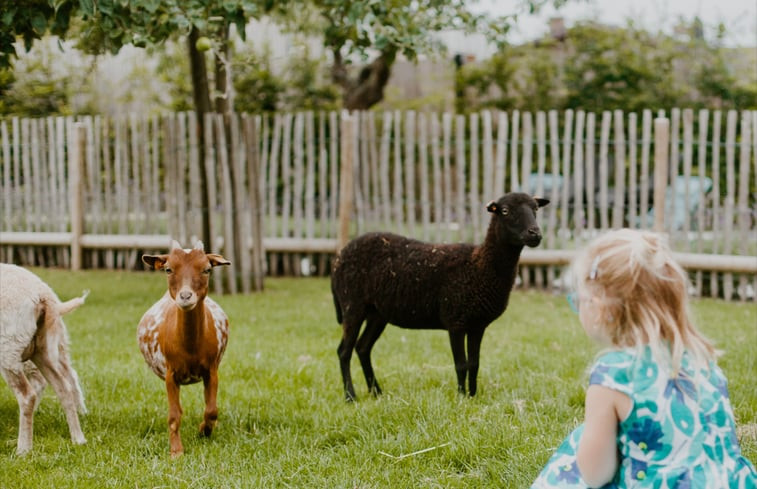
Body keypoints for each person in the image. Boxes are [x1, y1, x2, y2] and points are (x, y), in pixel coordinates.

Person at [531, 228, 756, 488]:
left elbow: (595, 474)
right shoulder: (703, 362)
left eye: (578, 300)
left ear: (602, 309)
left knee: (574, 452)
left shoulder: (613, 374)